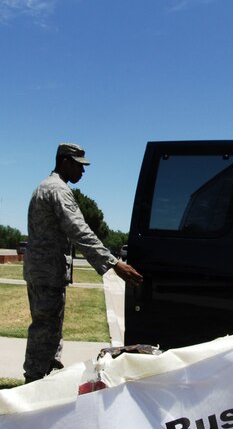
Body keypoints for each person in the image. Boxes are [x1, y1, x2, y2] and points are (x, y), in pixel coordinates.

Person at [22, 142, 143, 383]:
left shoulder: (44, 187)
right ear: (64, 161)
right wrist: (112, 263)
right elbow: (79, 229)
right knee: (45, 328)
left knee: (48, 326)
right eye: (79, 166)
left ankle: (45, 373)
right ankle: (34, 382)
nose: (83, 172)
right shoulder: (58, 190)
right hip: (47, 272)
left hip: (41, 270)